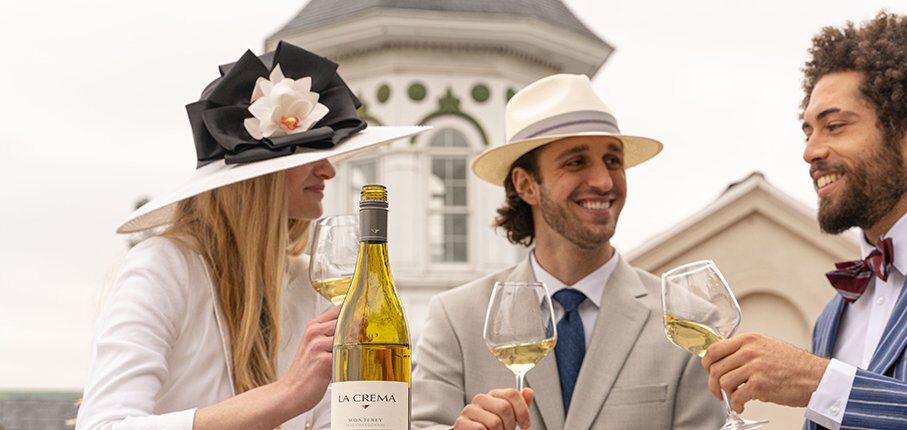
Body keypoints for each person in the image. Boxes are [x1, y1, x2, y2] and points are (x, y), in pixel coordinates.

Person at [699, 12, 907, 430]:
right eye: (808, 132)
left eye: (834, 126)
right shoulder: (834, 314)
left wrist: (819, 382)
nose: (810, 152)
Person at [75, 42, 425, 429]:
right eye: (310, 155)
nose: (329, 171)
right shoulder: (163, 267)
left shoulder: (309, 282)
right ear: (257, 180)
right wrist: (287, 393)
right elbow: (102, 426)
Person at [411, 74, 722, 430]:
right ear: (526, 184)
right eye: (576, 162)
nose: (604, 181)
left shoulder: (688, 322)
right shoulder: (456, 319)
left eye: (613, 160)